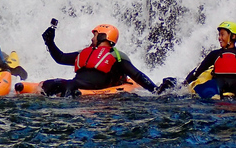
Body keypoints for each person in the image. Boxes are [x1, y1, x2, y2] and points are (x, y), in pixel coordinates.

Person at [40, 21, 175, 97]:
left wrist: (155, 90)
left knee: (68, 87)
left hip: (88, 89)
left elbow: (137, 75)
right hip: (75, 84)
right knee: (50, 84)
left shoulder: (116, 56)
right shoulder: (83, 53)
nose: (92, 38)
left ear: (103, 36)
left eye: (95, 35)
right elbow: (60, 58)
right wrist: (50, 42)